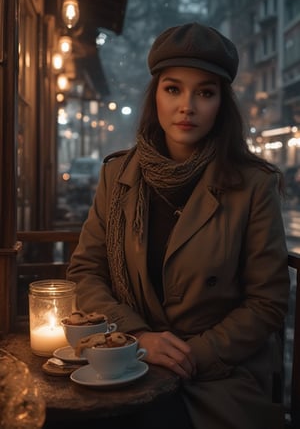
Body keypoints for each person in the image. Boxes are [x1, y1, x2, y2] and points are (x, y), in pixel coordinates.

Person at [66, 22, 290, 429]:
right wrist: (136, 339)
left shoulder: (253, 185)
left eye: (205, 92)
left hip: (215, 375)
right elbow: (86, 272)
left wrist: (190, 355)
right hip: (124, 361)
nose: (187, 106)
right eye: (173, 89)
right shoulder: (118, 177)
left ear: (221, 103)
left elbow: (267, 303)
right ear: (156, 97)